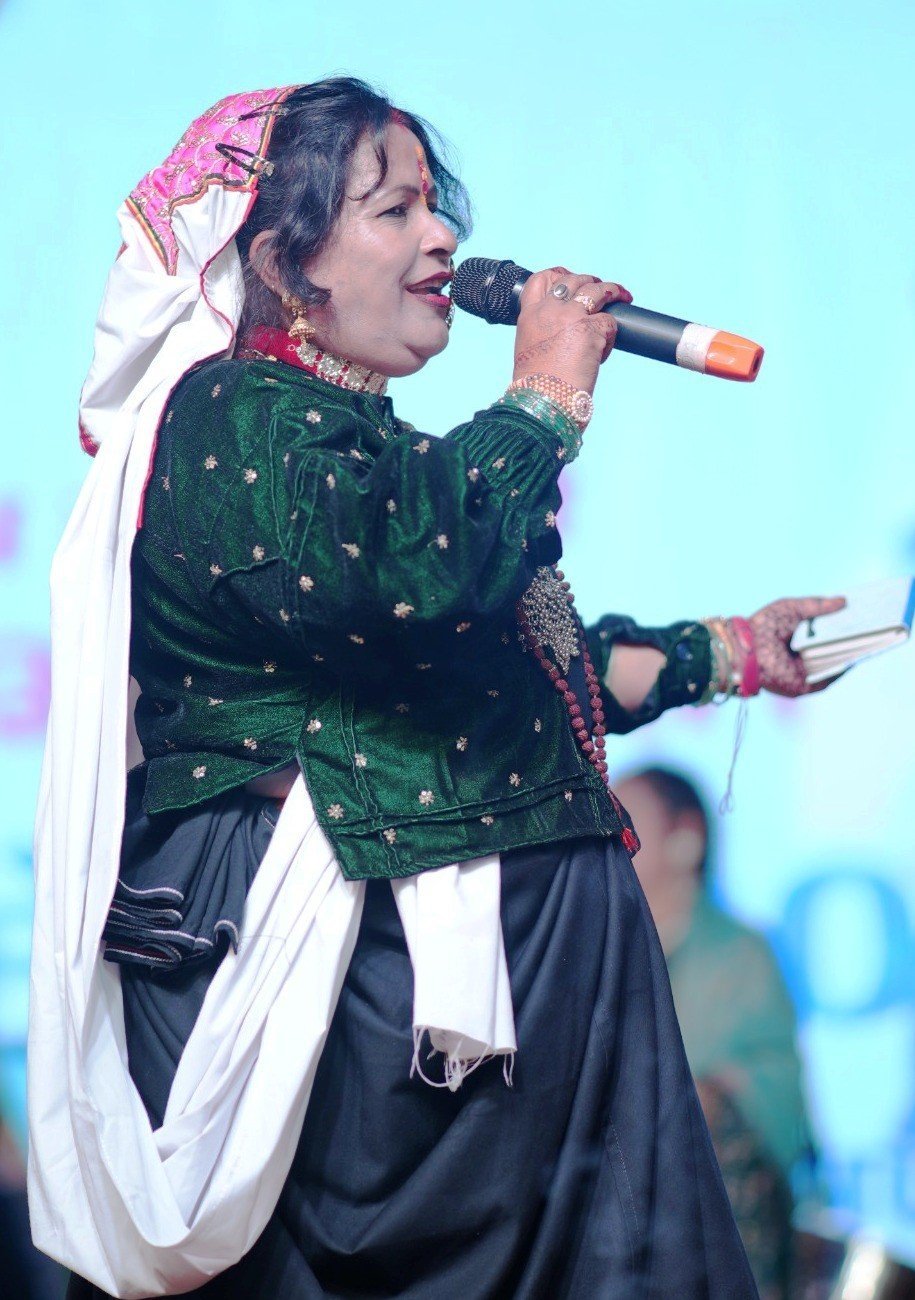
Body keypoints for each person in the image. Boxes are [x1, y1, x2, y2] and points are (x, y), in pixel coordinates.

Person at [28, 78, 844, 1299]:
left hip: (519, 1046)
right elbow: (417, 568)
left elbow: (501, 670)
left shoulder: (362, 441)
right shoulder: (231, 416)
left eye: (436, 206)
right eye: (394, 209)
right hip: (351, 1019)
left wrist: (727, 653)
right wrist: (545, 393)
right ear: (283, 262)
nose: (444, 237)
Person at [617, 767, 814, 1300]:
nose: (610, 833)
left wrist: (702, 1099)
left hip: (713, 1206)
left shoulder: (741, 953)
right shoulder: (599, 948)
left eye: (628, 816)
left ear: (686, 839)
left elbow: (776, 1090)